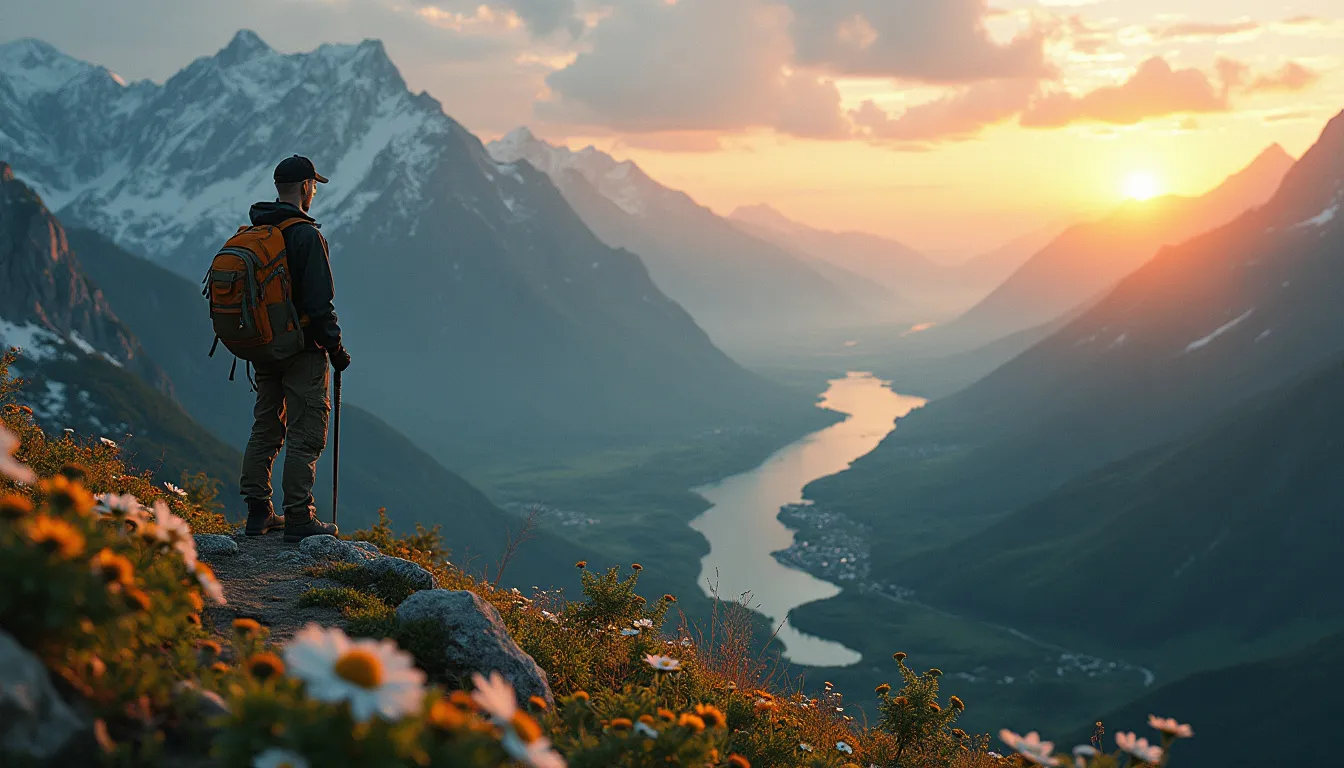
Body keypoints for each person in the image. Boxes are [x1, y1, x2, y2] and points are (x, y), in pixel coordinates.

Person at [240, 155, 352, 542]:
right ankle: (299, 517)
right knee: (306, 433)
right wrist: (336, 350)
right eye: (314, 186)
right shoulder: (306, 235)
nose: (314, 192)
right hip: (302, 350)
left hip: (264, 346)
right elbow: (321, 305)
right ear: (305, 187)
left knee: (266, 427)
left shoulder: (257, 230)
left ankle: (258, 512)